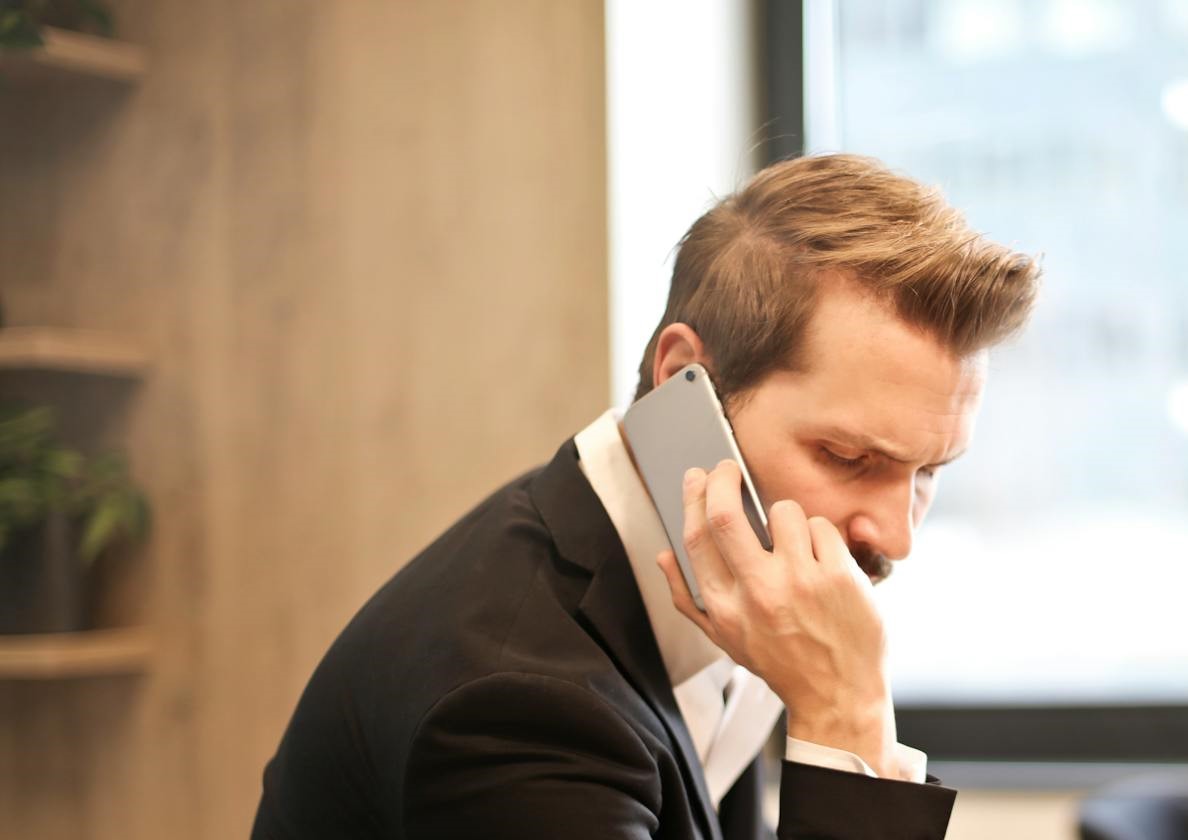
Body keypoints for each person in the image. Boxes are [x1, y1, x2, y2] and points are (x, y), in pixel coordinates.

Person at [251, 153, 1040, 839]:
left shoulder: (718, 596)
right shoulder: (516, 707)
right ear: (681, 382)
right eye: (847, 455)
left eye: (929, 471)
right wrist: (847, 719)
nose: (897, 536)